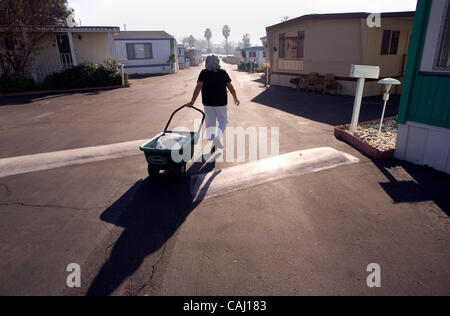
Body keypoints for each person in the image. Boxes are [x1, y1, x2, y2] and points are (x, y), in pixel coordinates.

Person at [187, 55, 240, 151]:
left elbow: (198, 87)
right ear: (218, 62)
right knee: (223, 121)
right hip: (221, 102)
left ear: (206, 62)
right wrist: (235, 98)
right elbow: (230, 87)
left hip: (207, 102)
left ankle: (212, 140)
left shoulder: (203, 73)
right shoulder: (223, 73)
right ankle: (217, 139)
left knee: (210, 122)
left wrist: (192, 101)